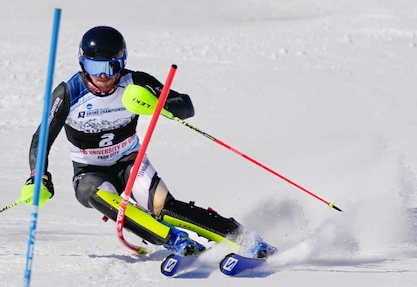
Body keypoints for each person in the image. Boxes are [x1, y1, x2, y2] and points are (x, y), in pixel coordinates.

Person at [20, 26, 275, 258]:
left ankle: (244, 238)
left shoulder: (135, 83)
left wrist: (156, 104)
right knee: (93, 193)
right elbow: (41, 138)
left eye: (112, 67)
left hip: (131, 161)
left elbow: (186, 106)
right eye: (94, 67)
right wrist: (38, 175)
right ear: (82, 63)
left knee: (164, 208)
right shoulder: (69, 93)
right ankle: (174, 240)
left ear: (122, 63)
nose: (103, 76)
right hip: (90, 171)